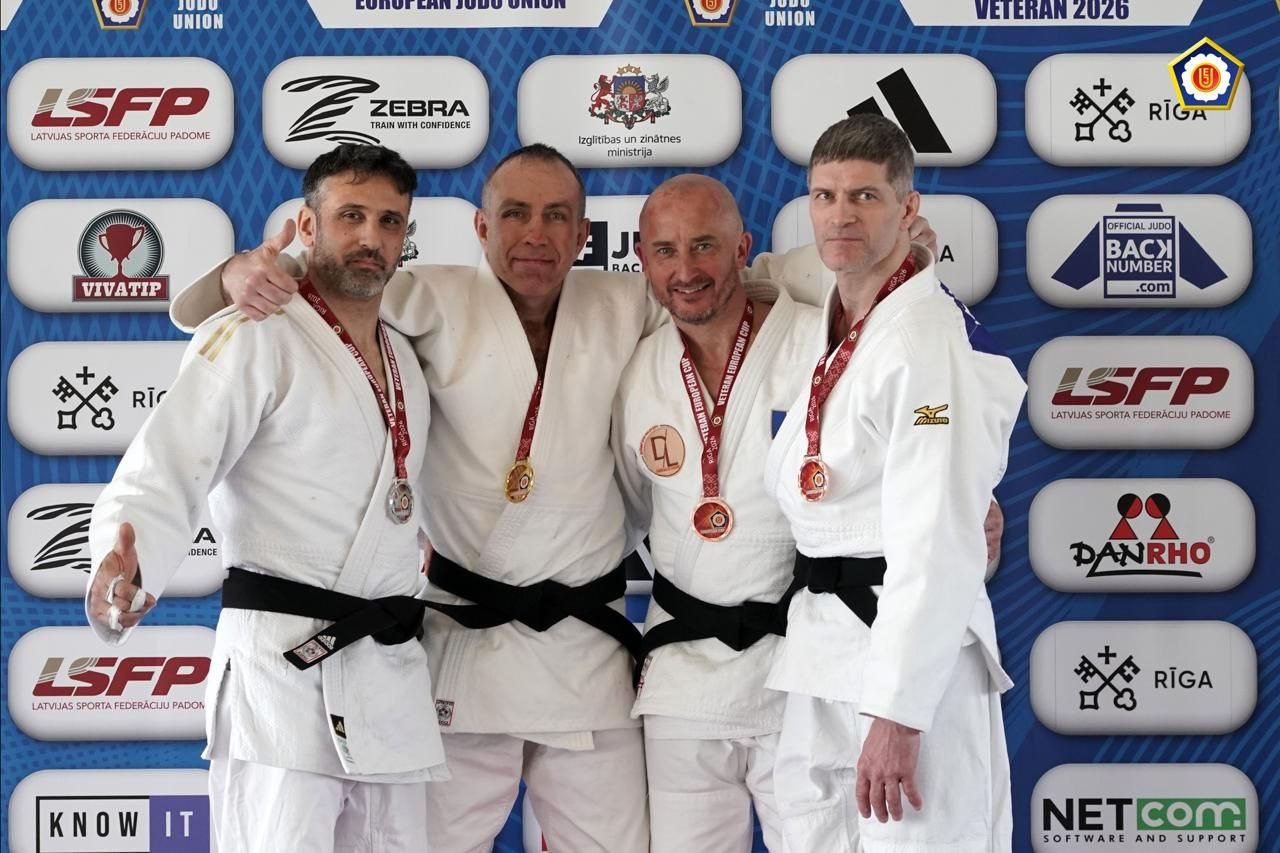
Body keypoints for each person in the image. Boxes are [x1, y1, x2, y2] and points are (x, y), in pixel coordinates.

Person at [170, 143, 979, 851]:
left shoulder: (630, 301)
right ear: (481, 228)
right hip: (463, 647)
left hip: (589, 655)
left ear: (585, 235)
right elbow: (342, 275)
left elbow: (763, 281)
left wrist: (962, 473)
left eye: (557, 216)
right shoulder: (429, 296)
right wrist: (247, 271)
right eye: (515, 214)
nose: (536, 233)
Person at [85, 143, 447, 852]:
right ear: (307, 227)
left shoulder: (406, 357)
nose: (371, 237)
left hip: (388, 680)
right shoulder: (254, 332)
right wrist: (123, 561)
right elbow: (168, 462)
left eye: (389, 221)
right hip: (281, 674)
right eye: (350, 216)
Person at [763, 114, 1024, 852]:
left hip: (907, 661)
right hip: (822, 646)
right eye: (824, 196)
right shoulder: (844, 313)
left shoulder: (925, 338)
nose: (840, 215)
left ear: (908, 209)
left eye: (865, 196)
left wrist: (900, 714)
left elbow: (939, 538)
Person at [612, 174, 821, 851]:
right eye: (665, 250)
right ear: (643, 260)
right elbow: (627, 511)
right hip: (684, 680)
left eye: (704, 245)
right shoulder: (638, 372)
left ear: (742, 248)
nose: (685, 270)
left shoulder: (816, 345)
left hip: (804, 668)